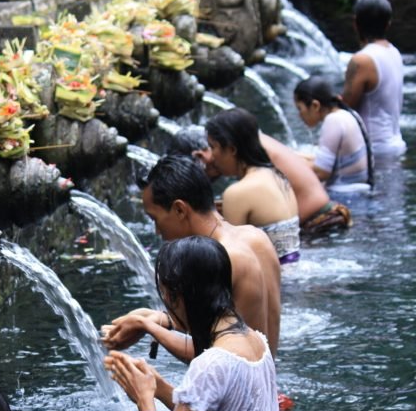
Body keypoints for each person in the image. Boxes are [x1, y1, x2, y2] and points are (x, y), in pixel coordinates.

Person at [105, 236, 282, 411]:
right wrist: (158, 386)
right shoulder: (256, 341)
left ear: (175, 297)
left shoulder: (211, 364)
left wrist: (143, 399)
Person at [102, 154, 280, 359]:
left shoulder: (226, 259)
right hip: (269, 384)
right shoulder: (255, 237)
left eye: (155, 219)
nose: (157, 231)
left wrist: (149, 327)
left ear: (179, 209)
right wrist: (158, 319)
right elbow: (235, 325)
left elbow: (216, 359)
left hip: (246, 388)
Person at [171, 124, 353, 236]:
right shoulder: (250, 145)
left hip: (318, 226)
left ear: (200, 156)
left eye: (214, 147)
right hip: (322, 219)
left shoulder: (252, 164)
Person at [205, 108, 301, 263]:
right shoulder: (278, 176)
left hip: (273, 283)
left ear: (231, 149)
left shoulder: (237, 193)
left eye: (213, 147)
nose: (211, 156)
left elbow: (230, 259)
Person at [342, 0, 405, 160]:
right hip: (395, 144)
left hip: (371, 150)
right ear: (388, 24)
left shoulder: (362, 60)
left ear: (355, 23)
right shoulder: (394, 53)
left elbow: (345, 110)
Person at [294, 75, 373, 192]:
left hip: (345, 195)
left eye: (300, 109)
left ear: (315, 105)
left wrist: (287, 164)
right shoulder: (349, 114)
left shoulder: (333, 121)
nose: (299, 115)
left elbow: (321, 172)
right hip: (360, 189)